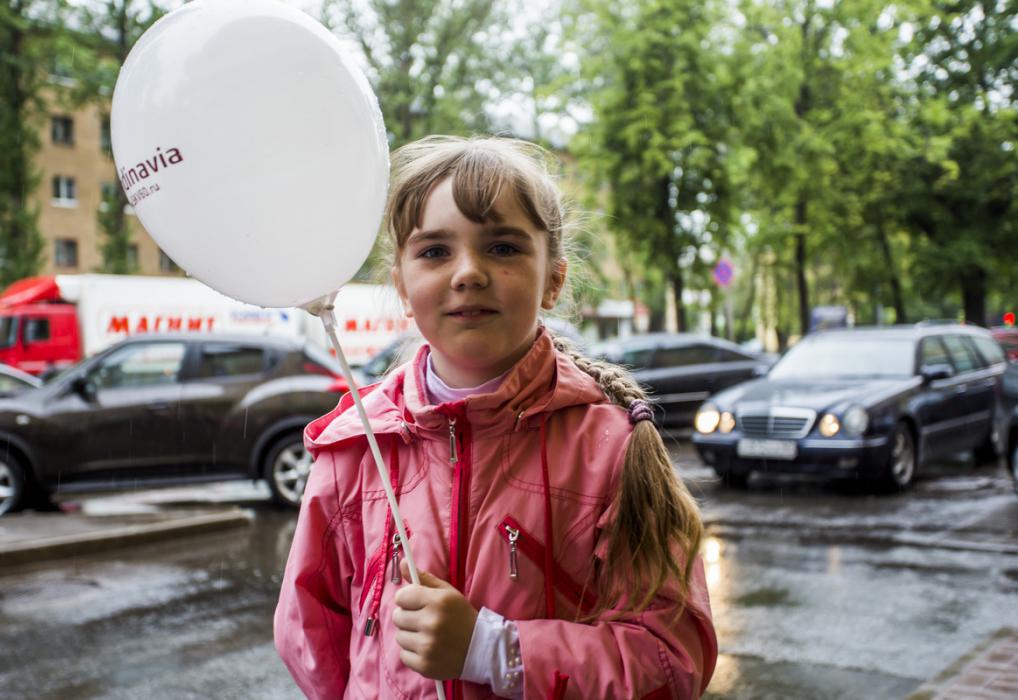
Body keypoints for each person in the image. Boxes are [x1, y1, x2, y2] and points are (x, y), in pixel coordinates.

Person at [274, 135, 717, 699]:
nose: (468, 273)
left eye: (503, 248)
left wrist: (491, 649)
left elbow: (673, 660)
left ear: (553, 278)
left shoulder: (612, 451)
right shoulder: (355, 450)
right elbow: (312, 642)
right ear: (403, 288)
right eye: (434, 251)